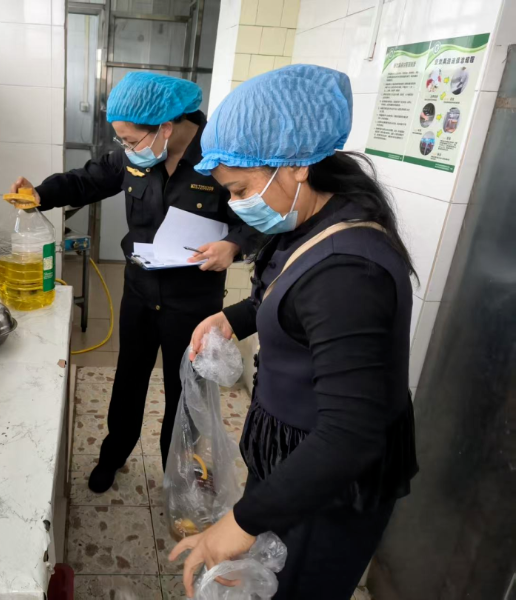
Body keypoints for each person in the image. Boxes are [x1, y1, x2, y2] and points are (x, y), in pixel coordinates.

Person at [170, 65, 419, 599]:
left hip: (329, 484)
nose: (236, 204)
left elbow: (350, 436)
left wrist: (240, 523)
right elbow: (286, 294)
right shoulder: (314, 221)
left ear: (297, 165)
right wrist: (234, 318)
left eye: (240, 189)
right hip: (299, 464)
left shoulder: (350, 272)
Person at [9, 72, 263, 493]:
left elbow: (255, 216)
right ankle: (113, 454)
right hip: (140, 291)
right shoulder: (137, 156)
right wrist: (40, 194)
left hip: (193, 300)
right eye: (122, 141)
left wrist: (233, 245)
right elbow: (88, 179)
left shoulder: (220, 157)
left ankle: (177, 474)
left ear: (165, 127)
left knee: (185, 390)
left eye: (130, 140)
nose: (126, 149)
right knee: (129, 378)